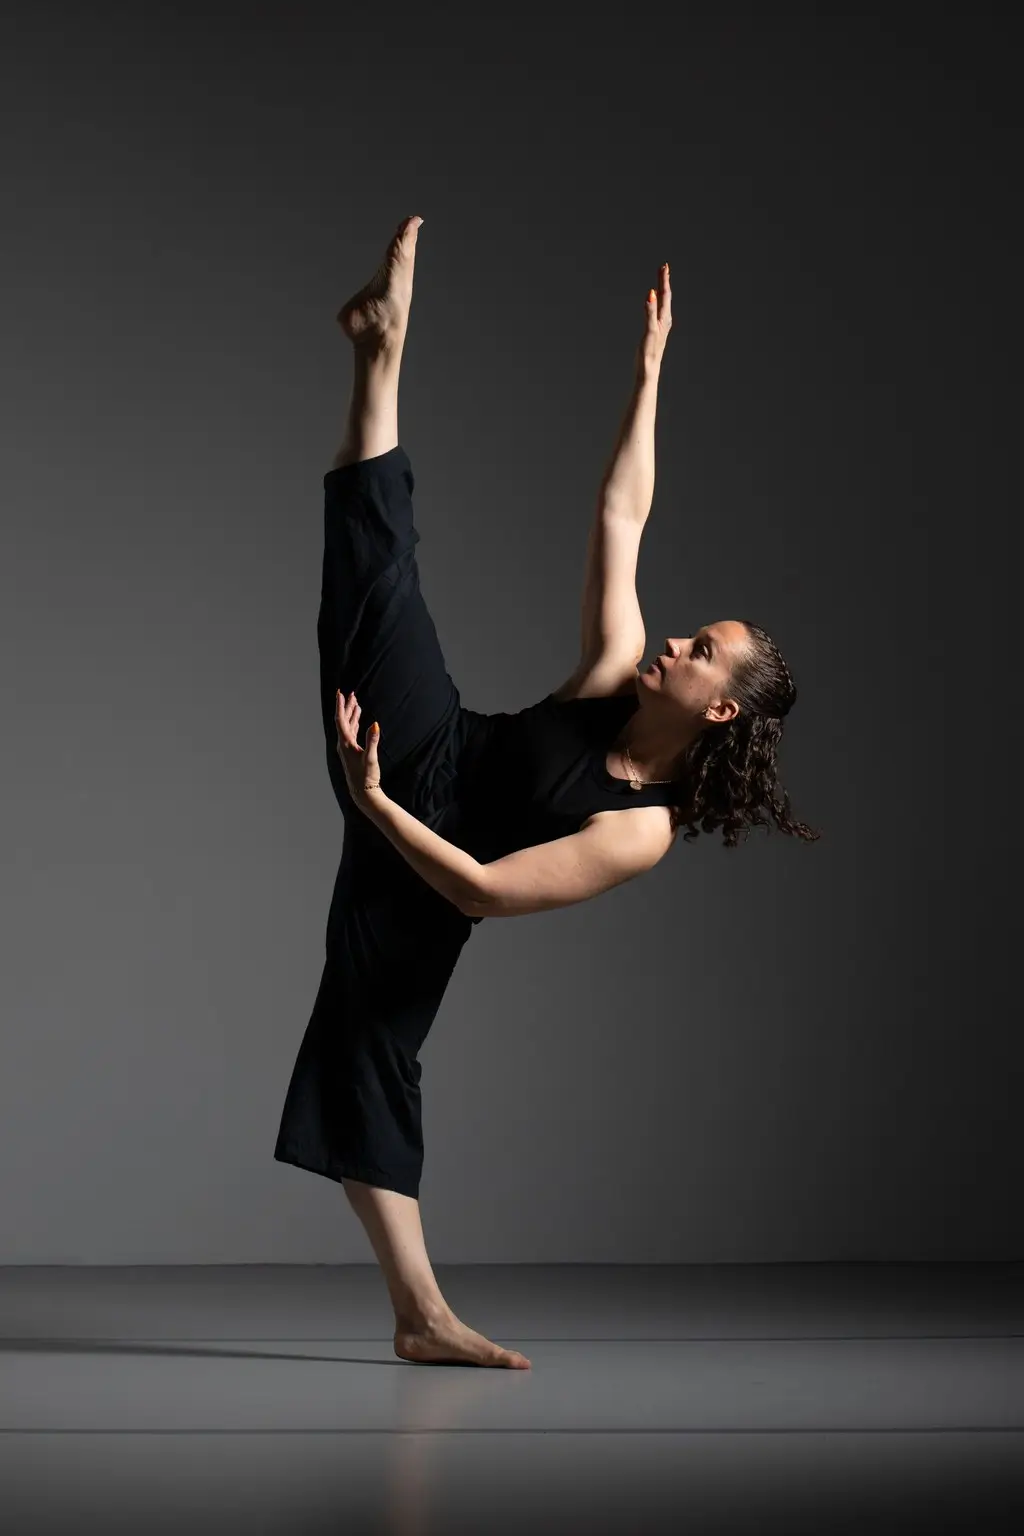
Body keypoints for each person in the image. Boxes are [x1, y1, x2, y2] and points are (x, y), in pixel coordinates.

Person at [275, 216, 819, 1370]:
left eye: (703, 648)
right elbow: (623, 516)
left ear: (720, 707)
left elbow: (476, 891)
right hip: (434, 747)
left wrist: (372, 804)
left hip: (432, 867)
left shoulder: (636, 834)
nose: (676, 637)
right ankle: (379, 348)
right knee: (379, 584)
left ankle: (419, 1315)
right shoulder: (619, 671)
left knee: (366, 1047)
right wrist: (649, 375)